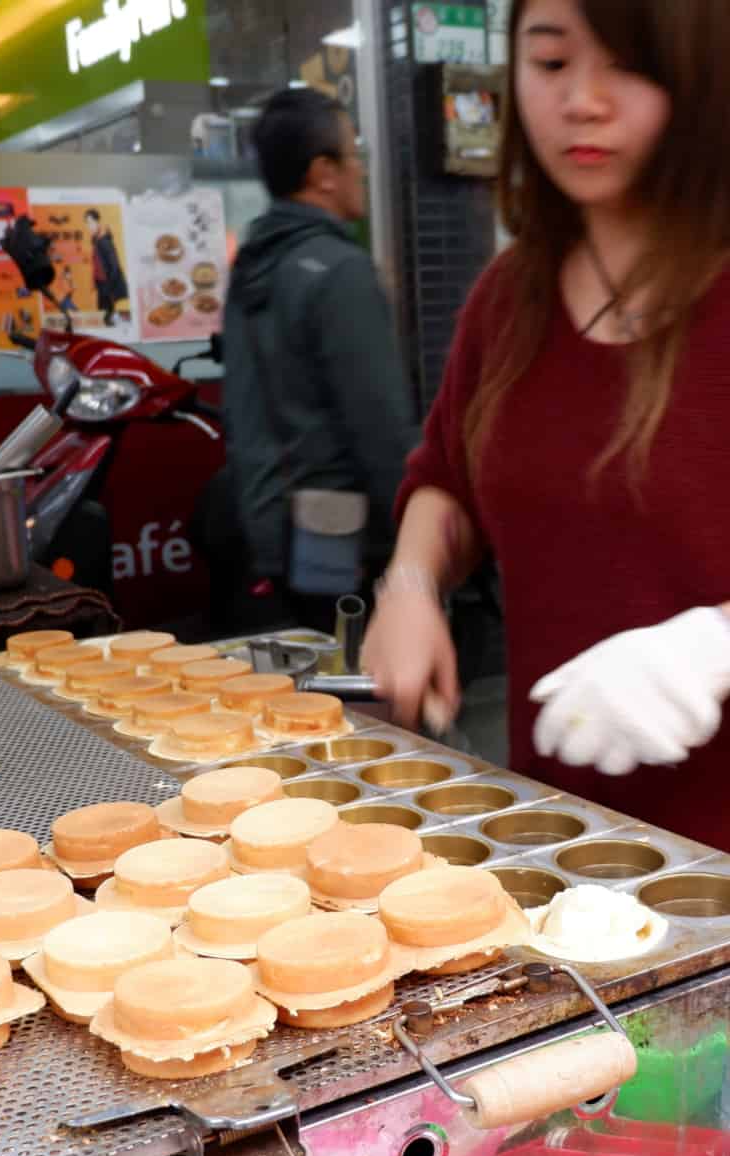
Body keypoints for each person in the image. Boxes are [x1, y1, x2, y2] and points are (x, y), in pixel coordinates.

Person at [363, 0, 730, 850]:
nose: (582, 102)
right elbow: (448, 477)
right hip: (562, 838)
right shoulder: (510, 295)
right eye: (552, 62)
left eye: (627, 65)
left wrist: (715, 644)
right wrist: (412, 584)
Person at [222, 87, 416, 633]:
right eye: (355, 157)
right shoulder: (339, 270)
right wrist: (416, 537)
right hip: (344, 535)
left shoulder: (254, 264)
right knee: (364, 695)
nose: (362, 171)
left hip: (270, 528)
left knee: (311, 686)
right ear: (323, 173)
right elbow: (377, 425)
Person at [85, 209, 128, 327]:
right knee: (103, 311)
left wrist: (111, 285)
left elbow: (114, 264)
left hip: (106, 282)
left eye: (91, 222)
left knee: (106, 312)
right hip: (100, 282)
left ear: (98, 222)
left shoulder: (103, 241)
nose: (89, 226)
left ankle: (112, 326)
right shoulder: (96, 240)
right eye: (87, 223)